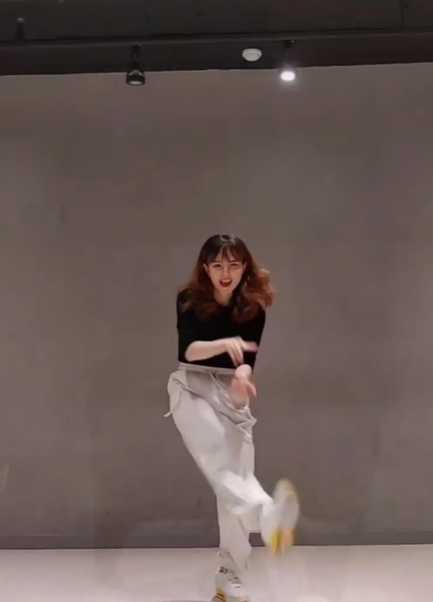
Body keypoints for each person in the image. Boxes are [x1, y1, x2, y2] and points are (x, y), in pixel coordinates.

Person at [166, 234, 300, 602]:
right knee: (217, 455)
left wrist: (242, 380)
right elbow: (189, 350)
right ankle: (265, 515)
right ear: (205, 268)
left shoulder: (253, 308)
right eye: (218, 265)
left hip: (231, 395)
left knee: (234, 481)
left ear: (244, 268)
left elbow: (246, 364)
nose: (226, 273)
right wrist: (224, 344)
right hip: (192, 388)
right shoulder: (189, 300)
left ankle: (230, 577)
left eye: (234, 265)